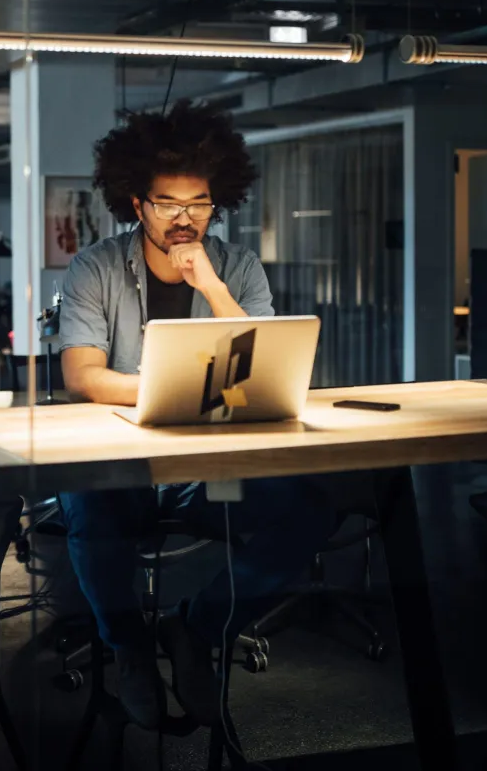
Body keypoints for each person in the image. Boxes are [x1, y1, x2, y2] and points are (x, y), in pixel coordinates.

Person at [57, 100, 337, 730]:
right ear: (137, 204)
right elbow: (81, 376)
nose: (185, 220)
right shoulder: (95, 268)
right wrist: (169, 388)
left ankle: (199, 630)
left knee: (309, 509)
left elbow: (262, 361)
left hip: (207, 470)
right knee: (88, 501)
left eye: (199, 204)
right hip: (122, 465)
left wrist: (211, 287)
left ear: (216, 201)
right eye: (168, 204)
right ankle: (130, 650)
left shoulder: (235, 267)